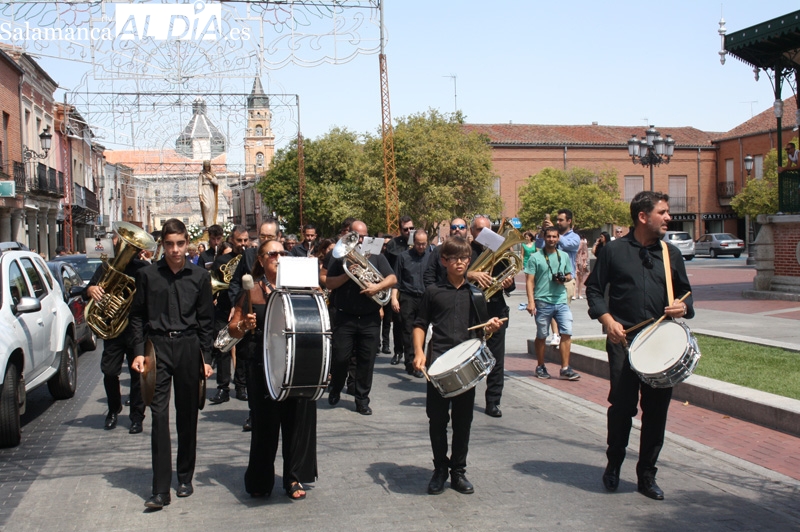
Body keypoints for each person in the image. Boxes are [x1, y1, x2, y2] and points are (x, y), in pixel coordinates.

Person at [585, 191, 694, 501]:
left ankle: (647, 475)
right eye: (663, 212)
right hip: (624, 341)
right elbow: (593, 290)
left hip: (661, 345)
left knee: (656, 411)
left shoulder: (670, 253)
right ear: (643, 216)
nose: (668, 217)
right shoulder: (614, 252)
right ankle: (614, 464)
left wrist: (682, 308)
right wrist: (607, 320)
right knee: (622, 407)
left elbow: (687, 295)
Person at [129, 218, 215, 510]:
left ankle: (185, 477)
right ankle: (160, 489)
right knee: (158, 416)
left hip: (190, 347)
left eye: (180, 244)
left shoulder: (200, 276)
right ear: (162, 245)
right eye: (169, 244)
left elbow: (206, 321)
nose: (175, 250)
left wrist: (207, 357)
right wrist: (139, 352)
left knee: (187, 415)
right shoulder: (148, 275)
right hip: (157, 348)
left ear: (187, 243)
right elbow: (138, 316)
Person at [412, 236, 503, 495]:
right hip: (438, 365)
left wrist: (491, 328)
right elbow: (419, 324)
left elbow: (482, 335)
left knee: (463, 422)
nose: (461, 262)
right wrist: (419, 352)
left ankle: (458, 471)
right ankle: (439, 468)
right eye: (454, 258)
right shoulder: (433, 292)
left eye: (464, 258)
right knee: (437, 421)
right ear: (444, 261)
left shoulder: (476, 294)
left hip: (465, 367)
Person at [228, 240, 318, 500]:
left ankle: (293, 477)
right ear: (260, 260)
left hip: (297, 362)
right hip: (262, 363)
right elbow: (232, 329)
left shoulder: (301, 288)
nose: (278, 257)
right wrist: (244, 324)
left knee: (297, 422)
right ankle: (260, 479)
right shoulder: (252, 291)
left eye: (282, 253)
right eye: (272, 254)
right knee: (265, 424)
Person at [325, 220, 397, 415]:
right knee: (340, 358)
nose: (362, 239)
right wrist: (348, 274)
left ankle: (362, 400)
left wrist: (377, 287)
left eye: (365, 235)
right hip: (344, 318)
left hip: (369, 319)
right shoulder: (339, 257)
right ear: (350, 235)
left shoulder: (377, 256)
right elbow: (329, 282)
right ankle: (336, 388)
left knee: (367, 361)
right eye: (358, 235)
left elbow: (392, 278)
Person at [84, 237, 151, 434]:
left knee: (138, 374)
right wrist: (91, 289)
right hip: (113, 329)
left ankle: (137, 417)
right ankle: (114, 409)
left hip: (136, 330)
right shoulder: (107, 267)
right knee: (109, 371)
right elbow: (86, 289)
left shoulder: (143, 268)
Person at [466, 216, 514, 418]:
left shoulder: (499, 252)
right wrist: (471, 275)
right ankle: (464, 398)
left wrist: (508, 282)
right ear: (472, 231)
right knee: (468, 357)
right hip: (470, 310)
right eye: (479, 230)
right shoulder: (465, 252)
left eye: (488, 230)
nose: (484, 234)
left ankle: (493, 401)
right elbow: (449, 275)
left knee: (496, 360)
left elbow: (510, 284)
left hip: (495, 309)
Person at [525, 226, 580, 381]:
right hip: (542, 301)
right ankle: (540, 366)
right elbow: (529, 281)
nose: (551, 240)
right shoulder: (536, 257)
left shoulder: (563, 255)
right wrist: (531, 302)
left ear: (558, 238)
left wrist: (565, 278)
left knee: (567, 332)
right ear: (544, 237)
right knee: (542, 335)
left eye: (554, 237)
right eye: (548, 236)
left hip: (561, 299)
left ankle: (565, 368)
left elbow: (569, 274)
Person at [209, 225, 250, 405]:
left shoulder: (250, 258)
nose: (242, 244)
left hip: (244, 309)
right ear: (232, 240)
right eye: (239, 240)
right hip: (225, 309)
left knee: (242, 349)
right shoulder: (222, 261)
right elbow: (215, 282)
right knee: (223, 348)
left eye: (245, 240)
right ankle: (223, 387)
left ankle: (241, 386)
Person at [390, 229, 430, 377]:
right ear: (414, 243)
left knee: (422, 330)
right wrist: (394, 298)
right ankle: (410, 362)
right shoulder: (403, 257)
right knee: (407, 330)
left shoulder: (430, 257)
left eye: (424, 244)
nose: (421, 247)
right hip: (407, 297)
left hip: (424, 298)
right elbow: (397, 280)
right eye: (418, 244)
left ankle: (420, 359)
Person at [383, 215, 415, 361]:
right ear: (400, 229)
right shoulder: (393, 244)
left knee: (414, 324)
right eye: (405, 229)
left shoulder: (419, 242)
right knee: (398, 321)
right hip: (398, 287)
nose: (409, 231)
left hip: (414, 287)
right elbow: (386, 266)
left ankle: (413, 353)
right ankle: (398, 351)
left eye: (411, 228)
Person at [423, 217, 468, 287]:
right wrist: (435, 293)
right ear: (450, 230)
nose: (457, 229)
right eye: (454, 227)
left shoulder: (471, 251)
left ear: (466, 230)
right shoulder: (438, 251)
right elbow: (428, 276)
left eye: (461, 227)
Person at [198, 160, 219, 227]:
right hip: (204, 189)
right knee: (207, 206)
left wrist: (211, 178)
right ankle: (207, 224)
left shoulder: (212, 174)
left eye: (208, 167)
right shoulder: (202, 174)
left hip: (211, 190)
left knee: (212, 207)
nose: (207, 168)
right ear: (204, 167)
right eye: (205, 167)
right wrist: (200, 195)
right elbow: (199, 185)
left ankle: (211, 223)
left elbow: (216, 183)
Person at [575, 233, 589, 299]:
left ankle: (580, 294)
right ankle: (574, 294)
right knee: (575, 277)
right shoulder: (573, 243)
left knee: (580, 277)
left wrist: (584, 262)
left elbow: (585, 252)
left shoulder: (582, 243)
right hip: (573, 261)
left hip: (580, 260)